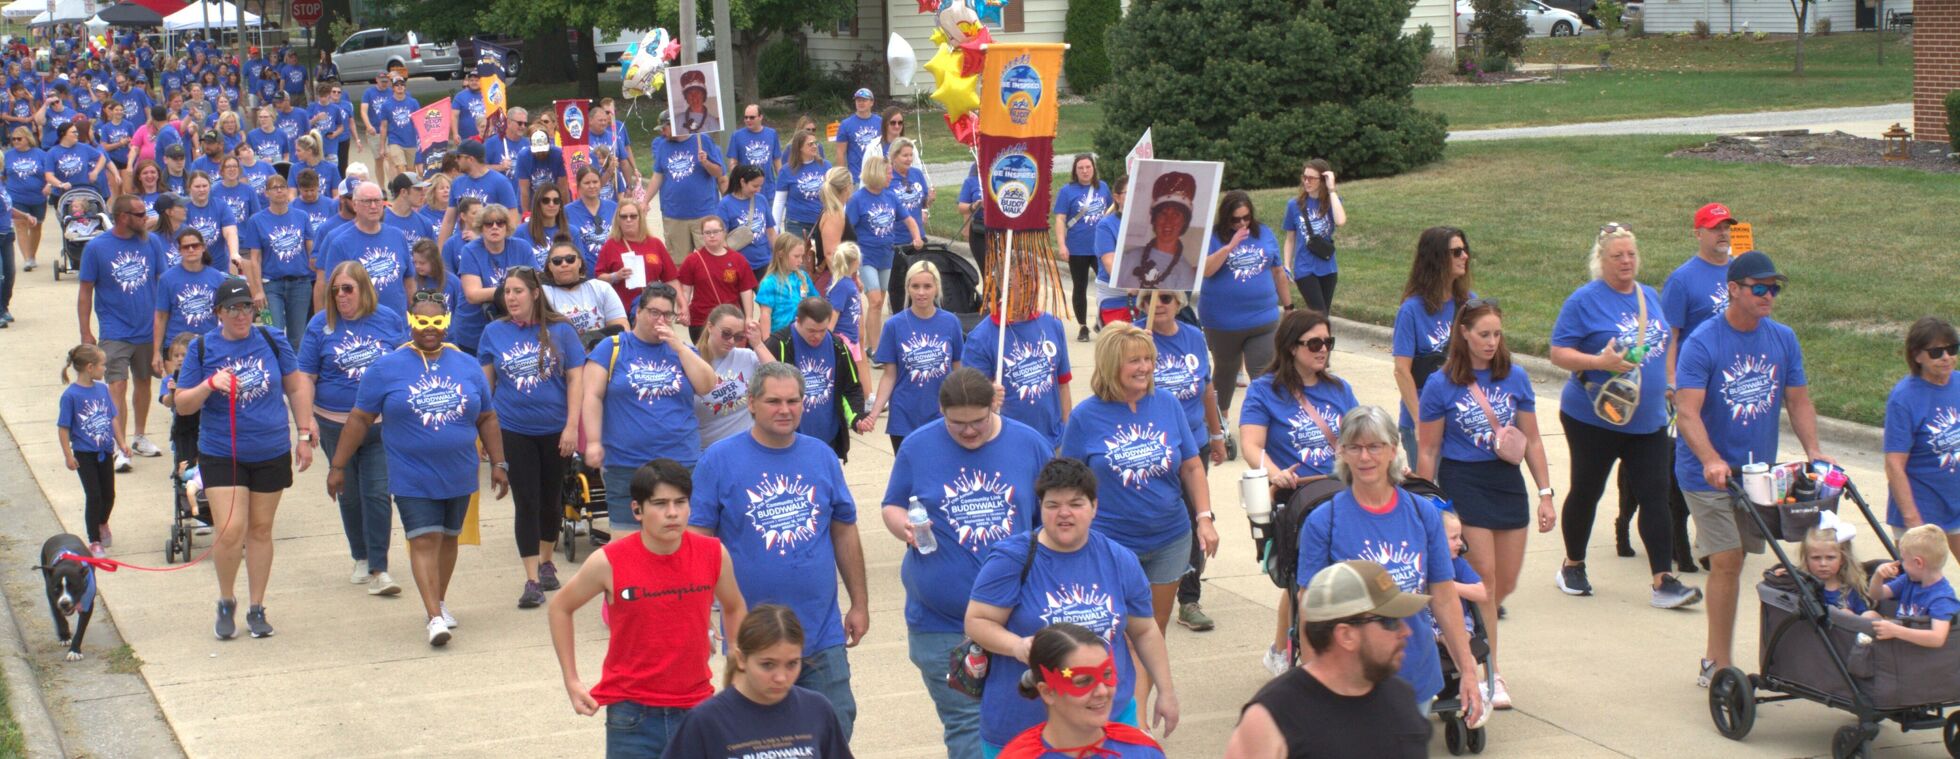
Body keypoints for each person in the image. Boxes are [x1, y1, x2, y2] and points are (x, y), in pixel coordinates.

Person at [690, 361, 871, 740]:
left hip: (821, 635)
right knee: (754, 741)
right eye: (774, 401)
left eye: (793, 401)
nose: (785, 409)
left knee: (834, 729)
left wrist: (859, 602)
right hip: (751, 639)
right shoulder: (718, 460)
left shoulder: (822, 456)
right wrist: (700, 612)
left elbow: (844, 532)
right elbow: (698, 542)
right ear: (751, 403)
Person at [1676, 249, 1828, 683]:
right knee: (1725, 560)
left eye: (1773, 289)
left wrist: (1814, 450)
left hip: (1757, 475)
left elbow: (1797, 400)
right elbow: (1687, 411)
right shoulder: (1703, 342)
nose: (1769, 296)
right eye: (1759, 288)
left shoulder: (1783, 338)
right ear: (1734, 290)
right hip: (1705, 474)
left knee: (1741, 559)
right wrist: (1710, 459)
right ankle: (1717, 662)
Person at [882, 367, 1050, 757]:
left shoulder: (1029, 444)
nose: (969, 431)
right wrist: (901, 525)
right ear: (941, 410)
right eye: (957, 424)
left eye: (978, 421)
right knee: (967, 727)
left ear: (994, 404)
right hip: (942, 624)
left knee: (1022, 725)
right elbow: (892, 503)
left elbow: (1051, 519)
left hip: (1017, 622)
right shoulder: (917, 446)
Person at [965, 457, 1178, 756]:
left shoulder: (1119, 559)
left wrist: (1166, 692)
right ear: (1041, 508)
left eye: (1076, 503)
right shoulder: (1010, 559)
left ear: (1094, 507)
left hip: (1107, 718)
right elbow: (977, 621)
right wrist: (1017, 646)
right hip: (1023, 725)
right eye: (1053, 505)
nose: (1064, 513)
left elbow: (1144, 631)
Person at [330, 291, 508, 646]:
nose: (430, 328)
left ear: (447, 323)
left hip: (459, 471)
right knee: (424, 538)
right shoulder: (385, 367)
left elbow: (487, 416)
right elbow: (359, 418)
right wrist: (338, 465)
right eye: (422, 321)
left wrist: (499, 462)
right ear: (410, 321)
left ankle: (439, 600)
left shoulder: (467, 364)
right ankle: (433, 616)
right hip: (411, 472)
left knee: (448, 538)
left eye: (437, 321)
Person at [549, 458, 749, 758]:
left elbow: (734, 607)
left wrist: (737, 666)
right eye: (660, 503)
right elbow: (560, 608)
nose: (672, 513)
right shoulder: (609, 561)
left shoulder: (713, 554)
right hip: (631, 715)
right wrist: (572, 680)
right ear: (637, 510)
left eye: (681, 502)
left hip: (696, 709)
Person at [1060, 323, 1219, 699]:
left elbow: (1192, 466)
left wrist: (1205, 518)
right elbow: (1067, 483)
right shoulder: (1085, 417)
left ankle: (1136, 726)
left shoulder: (1166, 404)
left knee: (1150, 633)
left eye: (1149, 359)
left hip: (1169, 539)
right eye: (1135, 361)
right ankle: (1107, 713)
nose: (1145, 367)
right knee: (1108, 635)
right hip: (1111, 545)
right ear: (1112, 365)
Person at [1293, 405, 1484, 718]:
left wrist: (1468, 671)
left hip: (1415, 675)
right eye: (1354, 447)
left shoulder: (1423, 515)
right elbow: (1309, 609)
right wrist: (1316, 687)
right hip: (1350, 680)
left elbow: (1445, 597)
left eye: (1374, 446)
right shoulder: (1323, 522)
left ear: (1393, 450)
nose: (1365, 457)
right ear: (1341, 452)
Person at [1413, 298, 1554, 710]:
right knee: (1486, 580)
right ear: (1464, 334)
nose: (1492, 342)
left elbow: (1534, 440)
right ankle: (1491, 672)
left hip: (1506, 482)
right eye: (1484, 334)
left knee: (1503, 584)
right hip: (1464, 480)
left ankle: (1477, 644)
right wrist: (1428, 502)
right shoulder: (1441, 384)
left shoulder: (1515, 377)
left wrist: (1545, 493)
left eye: (1497, 334)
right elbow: (1428, 448)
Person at [1548, 224, 1695, 606]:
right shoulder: (1584, 301)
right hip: (1594, 417)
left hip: (1647, 419)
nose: (1626, 261)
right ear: (1602, 261)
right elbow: (1559, 352)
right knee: (1588, 490)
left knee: (1655, 495)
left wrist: (1669, 383)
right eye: (1617, 256)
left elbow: (1662, 344)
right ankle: (1573, 564)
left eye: (1631, 254)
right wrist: (1600, 361)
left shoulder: (1649, 295)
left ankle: (1663, 580)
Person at [173, 277, 314, 641]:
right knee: (230, 530)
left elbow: (295, 385)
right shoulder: (203, 348)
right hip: (223, 450)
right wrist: (208, 385)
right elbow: (183, 404)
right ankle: (225, 599)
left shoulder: (271, 339)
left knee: (261, 530)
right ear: (218, 312)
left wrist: (303, 433)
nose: (241, 315)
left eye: (247, 306)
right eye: (233, 308)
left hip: (269, 448)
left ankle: (256, 606)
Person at [1623, 202, 1742, 568]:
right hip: (1694, 383)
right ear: (1699, 234)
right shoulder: (1684, 279)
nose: (1722, 234)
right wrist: (1671, 381)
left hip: (1732, 383)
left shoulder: (1740, 271)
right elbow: (1670, 336)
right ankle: (1699, 539)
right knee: (1696, 456)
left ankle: (1717, 538)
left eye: (1726, 227)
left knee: (1729, 456)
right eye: (1714, 228)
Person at [1225, 560, 1434, 759]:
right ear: (1346, 635)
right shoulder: (1272, 719)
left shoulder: (1401, 698)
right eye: (1390, 622)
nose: (1406, 631)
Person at [294, 260, 405, 594]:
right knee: (349, 493)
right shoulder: (320, 325)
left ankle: (378, 567)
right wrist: (306, 422)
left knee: (377, 493)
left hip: (380, 426)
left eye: (348, 289)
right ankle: (360, 554)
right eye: (336, 289)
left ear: (363, 289)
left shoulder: (388, 319)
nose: (341, 296)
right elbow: (306, 377)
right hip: (334, 424)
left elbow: (404, 365)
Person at [479, 267, 586, 608]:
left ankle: (546, 560)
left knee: (550, 499)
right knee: (525, 501)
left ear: (535, 293)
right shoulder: (493, 332)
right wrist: (482, 434)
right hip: (513, 428)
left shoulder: (561, 331)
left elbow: (575, 382)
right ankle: (530, 579)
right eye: (507, 292)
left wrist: (572, 426)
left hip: (555, 429)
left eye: (517, 291)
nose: (510, 298)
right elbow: (485, 388)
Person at [583, 283, 719, 531]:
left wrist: (678, 346)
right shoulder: (612, 347)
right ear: (638, 312)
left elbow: (707, 385)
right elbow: (591, 396)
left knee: (680, 538)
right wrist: (593, 441)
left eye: (668, 315)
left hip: (680, 460)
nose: (661, 320)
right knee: (627, 542)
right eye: (654, 312)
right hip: (626, 462)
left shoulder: (683, 351)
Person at [1130, 291, 1228, 634]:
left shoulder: (1194, 338)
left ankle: (1189, 599)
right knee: (1160, 518)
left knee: (1196, 517)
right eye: (1151, 300)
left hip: (1193, 445)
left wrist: (1216, 435)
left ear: (1180, 303)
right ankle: (1145, 589)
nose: (1159, 304)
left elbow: (1206, 389)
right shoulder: (1135, 341)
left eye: (1168, 298)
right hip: (1150, 447)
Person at [659, 605, 856, 758]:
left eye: (792, 664)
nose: (781, 677)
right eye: (768, 665)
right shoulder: (706, 721)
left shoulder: (817, 710)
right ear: (742, 659)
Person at [79, 193, 169, 469]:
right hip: (114, 329)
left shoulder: (152, 242)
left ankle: (140, 436)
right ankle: (119, 445)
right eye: (140, 215)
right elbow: (85, 292)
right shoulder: (97, 248)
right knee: (116, 384)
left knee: (143, 382)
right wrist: (86, 332)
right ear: (122, 218)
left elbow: (163, 284)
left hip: (147, 328)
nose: (146, 218)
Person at [997, 624, 1167, 758]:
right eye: (1083, 681)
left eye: (1106, 674)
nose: (1101, 691)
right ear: (1048, 692)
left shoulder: (1141, 750)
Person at [1201, 190, 1288, 425]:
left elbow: (1278, 272)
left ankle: (1261, 421)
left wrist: (1288, 307)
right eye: (1235, 219)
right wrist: (1230, 246)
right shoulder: (1213, 237)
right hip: (1222, 321)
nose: (1241, 223)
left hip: (1263, 319)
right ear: (1226, 217)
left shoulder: (1265, 234)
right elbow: (1206, 270)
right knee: (1225, 371)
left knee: (1263, 373)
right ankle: (1220, 420)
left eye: (1246, 218)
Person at [1392, 226, 1473, 467]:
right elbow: (1401, 371)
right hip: (1423, 418)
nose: (1465, 257)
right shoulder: (1411, 310)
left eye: (1465, 250)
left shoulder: (1468, 303)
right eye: (1456, 252)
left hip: (1460, 417)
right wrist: (1421, 421)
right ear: (1436, 258)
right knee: (1429, 497)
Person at [867, 260, 964, 451]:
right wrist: (874, 413)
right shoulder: (893, 325)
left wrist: (962, 406)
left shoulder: (951, 322)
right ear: (907, 289)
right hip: (905, 417)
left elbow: (958, 370)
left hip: (941, 415)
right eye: (915, 286)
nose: (921, 292)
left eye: (927, 286)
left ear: (936, 288)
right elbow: (889, 375)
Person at [1886, 317, 1960, 556]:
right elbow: (1894, 465)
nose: (1946, 357)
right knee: (1915, 585)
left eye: (1952, 349)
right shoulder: (1904, 398)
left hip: (1955, 502)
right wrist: (1912, 520)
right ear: (1917, 356)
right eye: (1936, 352)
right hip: (1921, 508)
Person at [761, 298, 870, 460]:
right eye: (811, 330)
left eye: (823, 330)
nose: (817, 336)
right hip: (788, 441)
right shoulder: (779, 345)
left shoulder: (837, 346)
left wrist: (856, 417)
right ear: (798, 320)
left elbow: (851, 388)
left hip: (828, 440)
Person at [964, 306, 1072, 449]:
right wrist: (987, 396)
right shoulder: (980, 337)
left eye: (1031, 282)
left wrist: (1068, 437)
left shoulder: (1052, 324)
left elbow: (1063, 385)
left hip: (1054, 443)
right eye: (1020, 284)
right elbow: (970, 404)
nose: (1027, 287)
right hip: (1009, 447)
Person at [58, 344, 126, 556]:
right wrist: (68, 455)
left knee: (109, 495)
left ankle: (102, 522)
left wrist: (122, 443)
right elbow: (64, 428)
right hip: (84, 454)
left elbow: (112, 417)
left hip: (105, 451)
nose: (105, 369)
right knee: (94, 495)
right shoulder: (71, 396)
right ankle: (94, 540)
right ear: (90, 367)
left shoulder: (102, 390)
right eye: (102, 365)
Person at [316, 182, 414, 318]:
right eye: (367, 201)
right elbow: (329, 289)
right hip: (360, 325)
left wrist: (414, 314)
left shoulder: (398, 236)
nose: (373, 206)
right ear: (355, 205)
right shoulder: (340, 243)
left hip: (397, 324)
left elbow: (409, 281)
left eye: (377, 201)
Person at [243, 174, 315, 345]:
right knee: (274, 334)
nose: (279, 190)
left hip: (300, 283)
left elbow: (311, 250)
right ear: (266, 193)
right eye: (274, 188)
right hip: (271, 285)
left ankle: (296, 371)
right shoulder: (256, 221)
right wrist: (257, 290)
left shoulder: (302, 216)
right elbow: (254, 259)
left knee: (298, 337)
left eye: (282, 186)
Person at [453, 203, 535, 352]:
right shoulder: (470, 251)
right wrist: (515, 290)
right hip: (474, 328)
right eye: (489, 223)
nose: (495, 227)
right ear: (481, 228)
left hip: (515, 324)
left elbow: (536, 283)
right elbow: (473, 295)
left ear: (507, 226)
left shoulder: (522, 247)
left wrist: (507, 292)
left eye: (500, 222)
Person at [1866, 524, 1960, 649]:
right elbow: (1876, 594)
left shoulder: (1942, 598)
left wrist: (1896, 631)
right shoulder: (1908, 581)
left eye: (1904, 560)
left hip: (1919, 654)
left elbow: (1937, 638)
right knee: (1869, 615)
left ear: (1918, 563)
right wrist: (1878, 576)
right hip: (1902, 642)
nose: (1901, 564)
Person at [649, 113, 724, 257]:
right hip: (673, 215)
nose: (661, 132)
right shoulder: (663, 146)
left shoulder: (703, 140)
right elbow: (657, 176)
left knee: (710, 258)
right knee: (679, 263)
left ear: (675, 125)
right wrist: (645, 202)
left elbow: (719, 172)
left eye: (664, 128)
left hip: (703, 213)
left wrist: (706, 162)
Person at [1053, 154, 1111, 342]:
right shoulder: (1067, 191)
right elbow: (1060, 219)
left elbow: (1111, 212)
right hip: (1077, 248)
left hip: (1101, 248)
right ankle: (1082, 326)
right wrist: (1062, 245)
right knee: (1080, 287)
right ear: (1075, 171)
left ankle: (1103, 321)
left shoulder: (1103, 188)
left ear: (1093, 168)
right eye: (1081, 168)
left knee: (1107, 286)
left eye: (1088, 167)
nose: (1085, 171)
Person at [151, 227, 226, 366]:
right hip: (176, 347)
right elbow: (160, 317)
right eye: (186, 247)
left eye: (195, 245)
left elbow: (224, 315)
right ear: (179, 250)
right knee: (176, 387)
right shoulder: (167, 279)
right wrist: (156, 352)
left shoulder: (217, 277)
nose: (191, 249)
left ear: (203, 248)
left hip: (208, 344)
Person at [676, 217, 757, 341]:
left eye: (716, 232)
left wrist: (749, 317)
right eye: (707, 233)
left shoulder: (738, 260)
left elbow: (746, 291)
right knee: (705, 358)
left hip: (731, 320)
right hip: (702, 321)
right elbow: (685, 291)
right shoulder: (692, 260)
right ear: (702, 235)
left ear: (724, 232)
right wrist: (683, 309)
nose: (712, 236)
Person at [693, 304, 762, 449]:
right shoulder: (691, 361)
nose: (731, 341)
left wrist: (758, 344)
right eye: (726, 333)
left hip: (748, 446)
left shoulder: (746, 356)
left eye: (738, 336)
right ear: (710, 327)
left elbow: (781, 377)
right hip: (709, 449)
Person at [1280, 159, 1345, 315]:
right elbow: (1290, 239)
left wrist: (1332, 190)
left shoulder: (1332, 202)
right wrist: (1287, 265)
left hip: (1328, 268)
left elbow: (1340, 221)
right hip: (1305, 269)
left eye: (1311, 178)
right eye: (1304, 177)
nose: (1306, 181)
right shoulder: (1294, 205)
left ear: (1322, 181)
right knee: (1319, 314)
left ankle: (1316, 339)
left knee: (1322, 316)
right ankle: (1323, 339)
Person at [593, 198, 677, 311]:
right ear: (618, 220)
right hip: (621, 309)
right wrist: (615, 276)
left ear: (640, 218)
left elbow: (670, 279)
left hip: (651, 308)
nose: (628, 220)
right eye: (624, 216)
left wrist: (681, 305)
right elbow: (599, 278)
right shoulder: (610, 245)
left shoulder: (655, 244)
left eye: (633, 216)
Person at [1121, 172, 1198, 291]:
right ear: (1154, 219)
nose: (1168, 221)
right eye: (1163, 214)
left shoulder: (1186, 273)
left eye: (1176, 215)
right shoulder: (1128, 258)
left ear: (1184, 222)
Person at [540, 240, 628, 334]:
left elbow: (622, 328)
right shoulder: (543, 294)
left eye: (570, 259)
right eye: (557, 261)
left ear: (580, 262)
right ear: (550, 266)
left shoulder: (601, 288)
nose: (564, 264)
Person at [719, 163, 775, 276]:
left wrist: (779, 254)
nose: (758, 190)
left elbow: (770, 231)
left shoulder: (761, 200)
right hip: (739, 265)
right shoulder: (725, 204)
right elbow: (721, 238)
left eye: (760, 186)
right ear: (742, 182)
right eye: (755, 186)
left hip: (764, 262)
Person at [5, 126, 48, 272]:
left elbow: (49, 173)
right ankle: (27, 259)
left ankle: (32, 255)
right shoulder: (8, 155)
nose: (16, 141)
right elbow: (3, 174)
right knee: (21, 225)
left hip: (38, 197)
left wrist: (48, 185)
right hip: (16, 196)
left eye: (19, 138)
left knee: (36, 226)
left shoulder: (40, 154)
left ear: (28, 139)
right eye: (13, 139)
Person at [753, 234, 815, 334]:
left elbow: (814, 301)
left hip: (801, 334)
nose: (800, 260)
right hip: (778, 336)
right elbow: (765, 314)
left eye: (802, 256)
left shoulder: (803, 277)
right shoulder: (769, 282)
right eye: (796, 256)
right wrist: (767, 342)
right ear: (781, 254)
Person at [779, 129, 829, 243]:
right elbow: (779, 201)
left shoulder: (826, 166)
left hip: (822, 220)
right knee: (799, 258)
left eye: (815, 143)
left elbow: (834, 194)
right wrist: (775, 228)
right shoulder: (786, 170)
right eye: (810, 144)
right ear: (799, 147)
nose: (815, 146)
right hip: (797, 223)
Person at [565, 168, 616, 272]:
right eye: (587, 183)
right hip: (585, 274)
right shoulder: (567, 211)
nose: (592, 186)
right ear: (578, 186)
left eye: (595, 182)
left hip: (613, 272)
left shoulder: (613, 207)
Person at [372, 76, 418, 183]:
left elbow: (418, 121)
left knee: (411, 170)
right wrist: (382, 147)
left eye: (402, 84)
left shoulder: (413, 102)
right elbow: (383, 127)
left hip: (411, 141)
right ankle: (403, 190)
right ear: (392, 88)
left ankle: (410, 191)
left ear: (405, 87)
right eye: (397, 85)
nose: (400, 87)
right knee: (401, 168)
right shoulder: (386, 105)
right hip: (395, 141)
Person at [833, 88, 880, 183]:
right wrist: (842, 177)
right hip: (856, 177)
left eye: (864, 100)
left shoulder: (881, 122)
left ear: (872, 102)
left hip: (877, 176)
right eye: (858, 100)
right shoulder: (846, 124)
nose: (861, 103)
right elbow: (840, 153)